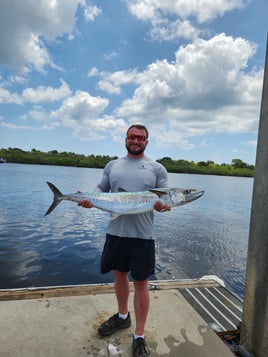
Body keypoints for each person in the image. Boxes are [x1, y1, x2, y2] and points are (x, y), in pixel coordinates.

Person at [78, 124, 170, 356]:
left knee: (141, 283)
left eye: (140, 137)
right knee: (119, 276)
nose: (136, 140)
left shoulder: (157, 168)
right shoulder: (112, 165)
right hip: (116, 232)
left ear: (147, 141)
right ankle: (122, 317)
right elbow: (101, 189)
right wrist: (88, 198)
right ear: (126, 139)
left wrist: (162, 207)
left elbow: (165, 199)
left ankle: (139, 335)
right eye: (132, 136)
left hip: (142, 236)